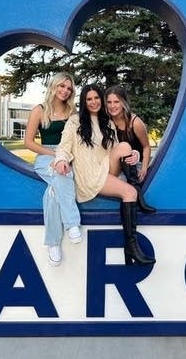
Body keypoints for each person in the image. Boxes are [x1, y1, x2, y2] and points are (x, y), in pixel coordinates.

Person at [54, 84, 155, 266]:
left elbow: (116, 148)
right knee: (129, 193)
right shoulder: (75, 121)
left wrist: (135, 155)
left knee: (125, 147)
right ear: (84, 102)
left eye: (96, 98)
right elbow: (63, 146)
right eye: (89, 99)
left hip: (105, 168)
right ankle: (131, 246)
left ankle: (136, 194)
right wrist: (61, 160)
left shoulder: (107, 122)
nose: (94, 102)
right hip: (88, 175)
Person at [24, 72, 82, 267]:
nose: (65, 91)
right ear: (54, 86)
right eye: (61, 86)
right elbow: (28, 142)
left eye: (69, 88)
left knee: (53, 190)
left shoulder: (73, 112)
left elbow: (76, 140)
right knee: (60, 172)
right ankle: (72, 223)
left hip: (66, 154)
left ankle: (53, 243)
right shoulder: (39, 110)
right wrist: (53, 156)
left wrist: (63, 156)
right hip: (45, 154)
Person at [105, 85, 156, 214]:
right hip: (116, 165)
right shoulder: (106, 122)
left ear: (123, 103)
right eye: (109, 102)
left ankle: (138, 196)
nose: (112, 106)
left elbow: (146, 146)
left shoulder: (135, 122)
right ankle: (138, 198)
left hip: (133, 165)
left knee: (125, 187)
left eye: (116, 102)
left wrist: (144, 167)